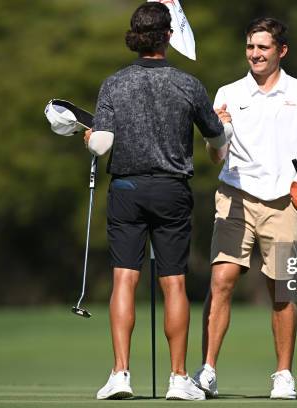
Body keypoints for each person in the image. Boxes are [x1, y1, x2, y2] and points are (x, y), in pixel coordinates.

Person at [83, 2, 231, 401]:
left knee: (124, 279)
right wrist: (225, 127)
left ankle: (119, 374)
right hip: (171, 191)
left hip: (127, 190)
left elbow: (102, 144)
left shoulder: (114, 83)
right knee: (174, 283)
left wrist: (87, 136)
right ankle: (179, 379)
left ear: (134, 36)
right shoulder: (189, 84)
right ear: (169, 36)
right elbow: (216, 138)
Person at [193, 17, 297, 400]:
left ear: (281, 51)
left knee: (281, 290)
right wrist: (217, 133)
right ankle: (207, 370)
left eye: (263, 48)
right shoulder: (228, 92)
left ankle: (283, 374)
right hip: (235, 196)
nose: (255, 54)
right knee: (221, 281)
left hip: (285, 201)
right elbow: (214, 156)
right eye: (251, 47)